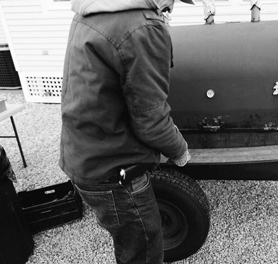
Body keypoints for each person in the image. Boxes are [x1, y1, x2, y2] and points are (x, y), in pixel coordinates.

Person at [61, 0, 194, 263]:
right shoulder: (142, 27)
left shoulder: (94, 12)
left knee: (130, 242)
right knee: (143, 248)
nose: (171, 7)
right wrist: (181, 152)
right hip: (113, 170)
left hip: (83, 156)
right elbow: (151, 122)